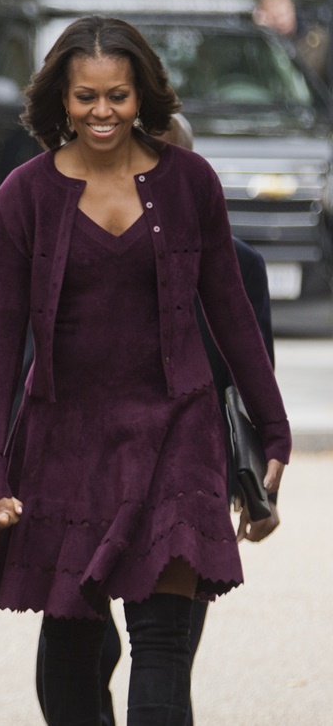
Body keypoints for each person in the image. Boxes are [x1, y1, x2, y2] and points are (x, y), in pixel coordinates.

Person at [0, 17, 290, 726]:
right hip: (65, 444)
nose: (103, 112)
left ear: (143, 94)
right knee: (74, 652)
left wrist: (275, 434)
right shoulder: (23, 195)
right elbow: (1, 346)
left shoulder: (190, 183)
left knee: (163, 646)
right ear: (61, 98)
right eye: (86, 97)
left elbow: (233, 317)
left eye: (118, 95)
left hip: (177, 435)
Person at [30, 114, 282, 726]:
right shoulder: (70, 236)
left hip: (185, 473)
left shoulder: (237, 261)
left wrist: (255, 483)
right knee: (80, 646)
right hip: (85, 467)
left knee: (163, 649)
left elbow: (251, 376)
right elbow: (31, 354)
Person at [254, 0, 330, 89]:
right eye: (275, 16)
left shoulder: (318, 41)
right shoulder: (258, 44)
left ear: (292, 8)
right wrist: (262, 33)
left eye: (284, 13)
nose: (281, 20)